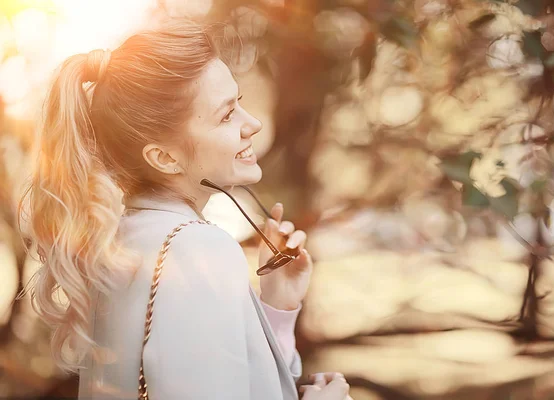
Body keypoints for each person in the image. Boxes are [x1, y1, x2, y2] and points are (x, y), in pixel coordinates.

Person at [18, 19, 351, 400]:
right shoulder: (198, 249)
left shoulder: (120, 243)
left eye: (239, 102)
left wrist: (277, 306)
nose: (253, 124)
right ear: (163, 157)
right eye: (226, 115)